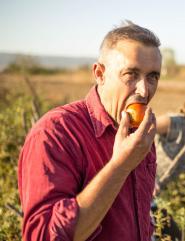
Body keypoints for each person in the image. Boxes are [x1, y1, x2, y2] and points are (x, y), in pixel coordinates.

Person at [18, 21, 162, 241]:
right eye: (131, 74)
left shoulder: (140, 134)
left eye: (153, 76)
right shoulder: (56, 133)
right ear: (100, 73)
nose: (144, 90)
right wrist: (120, 166)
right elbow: (45, 236)